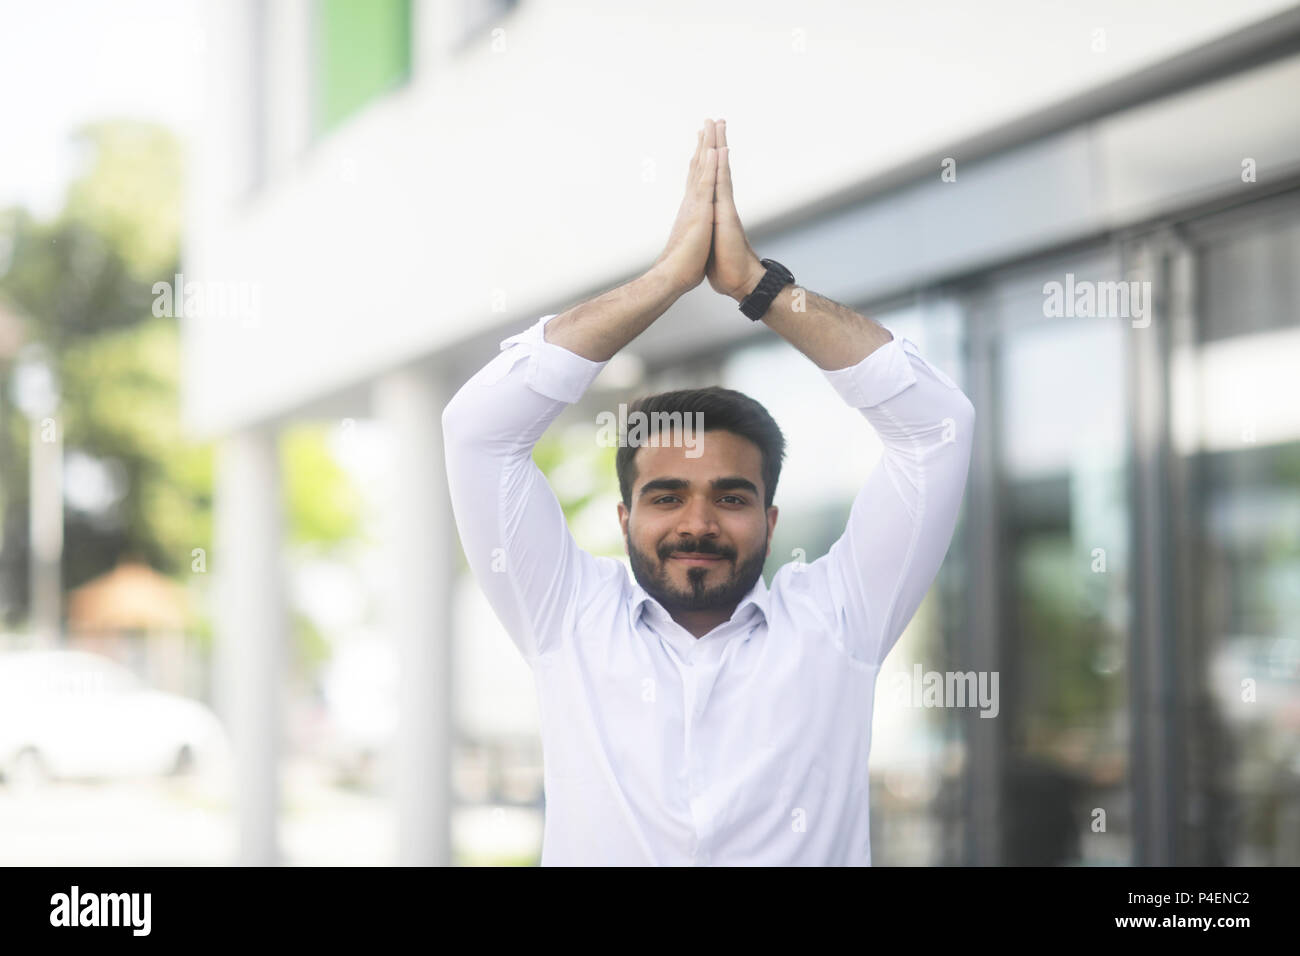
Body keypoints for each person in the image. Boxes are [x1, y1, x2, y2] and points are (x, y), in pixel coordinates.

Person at [442, 118, 975, 865]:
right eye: (666, 497)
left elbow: (938, 426)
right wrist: (665, 280)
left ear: (770, 515)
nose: (698, 522)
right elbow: (476, 431)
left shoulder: (840, 621)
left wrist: (761, 289)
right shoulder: (564, 617)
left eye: (730, 496)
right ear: (625, 516)